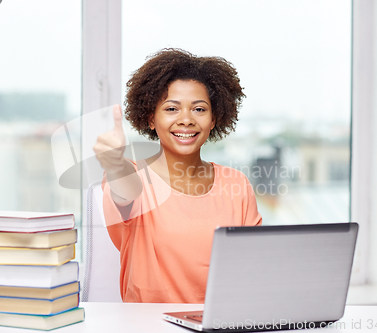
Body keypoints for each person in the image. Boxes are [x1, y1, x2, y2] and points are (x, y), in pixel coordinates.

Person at [93, 48, 262, 303]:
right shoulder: (134, 178)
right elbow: (125, 192)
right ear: (151, 118)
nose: (186, 120)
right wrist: (115, 164)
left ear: (214, 118)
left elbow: (254, 269)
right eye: (171, 109)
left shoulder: (236, 184)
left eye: (199, 109)